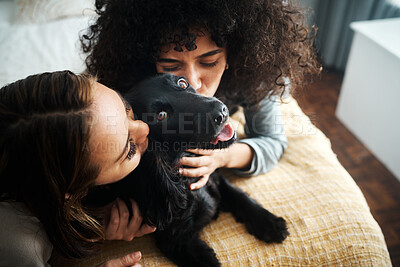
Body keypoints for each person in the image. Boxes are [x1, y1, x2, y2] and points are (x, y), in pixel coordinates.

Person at [81, 0, 321, 190]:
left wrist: (222, 157)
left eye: (209, 62)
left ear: (234, 54)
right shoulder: (130, 90)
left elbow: (273, 141)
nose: (193, 83)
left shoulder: (255, 78)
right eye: (171, 66)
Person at [0, 71, 155, 266]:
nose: (144, 127)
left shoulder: (62, 110)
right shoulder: (19, 247)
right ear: (71, 192)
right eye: (129, 148)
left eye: (125, 108)